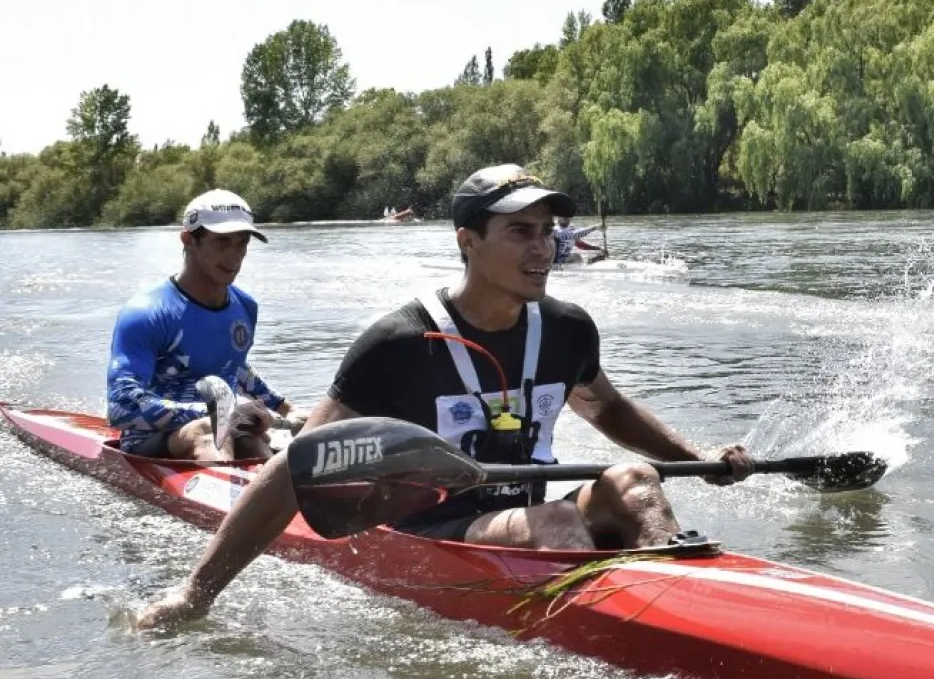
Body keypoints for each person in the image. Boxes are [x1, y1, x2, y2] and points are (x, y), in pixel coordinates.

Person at [136, 164, 754, 629]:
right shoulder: (400, 342)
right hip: (434, 524)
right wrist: (196, 592)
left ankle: (694, 611)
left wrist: (698, 458)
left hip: (526, 517)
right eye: (520, 232)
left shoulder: (568, 329)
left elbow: (607, 409)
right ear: (468, 241)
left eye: (547, 231)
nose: (543, 248)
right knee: (562, 520)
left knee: (636, 482)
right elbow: (296, 470)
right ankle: (625, 620)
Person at [106, 189, 307, 462]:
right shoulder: (146, 313)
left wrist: (287, 410)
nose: (235, 256)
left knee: (252, 440)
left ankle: (266, 494)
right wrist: (217, 413)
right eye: (222, 242)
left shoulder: (245, 307)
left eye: (242, 243)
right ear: (189, 239)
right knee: (209, 429)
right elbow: (122, 408)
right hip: (151, 439)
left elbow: (232, 364)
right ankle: (232, 499)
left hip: (228, 423)